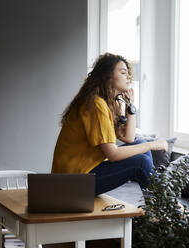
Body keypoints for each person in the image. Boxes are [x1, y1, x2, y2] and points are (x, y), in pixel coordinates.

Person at [51, 52, 168, 196]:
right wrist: (153, 144)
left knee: (142, 144)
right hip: (73, 183)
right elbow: (113, 154)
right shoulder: (96, 104)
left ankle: (157, 207)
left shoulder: (105, 103)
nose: (128, 77)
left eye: (128, 73)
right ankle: (168, 207)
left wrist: (129, 106)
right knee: (141, 162)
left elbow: (128, 138)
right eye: (123, 72)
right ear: (107, 76)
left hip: (82, 176)